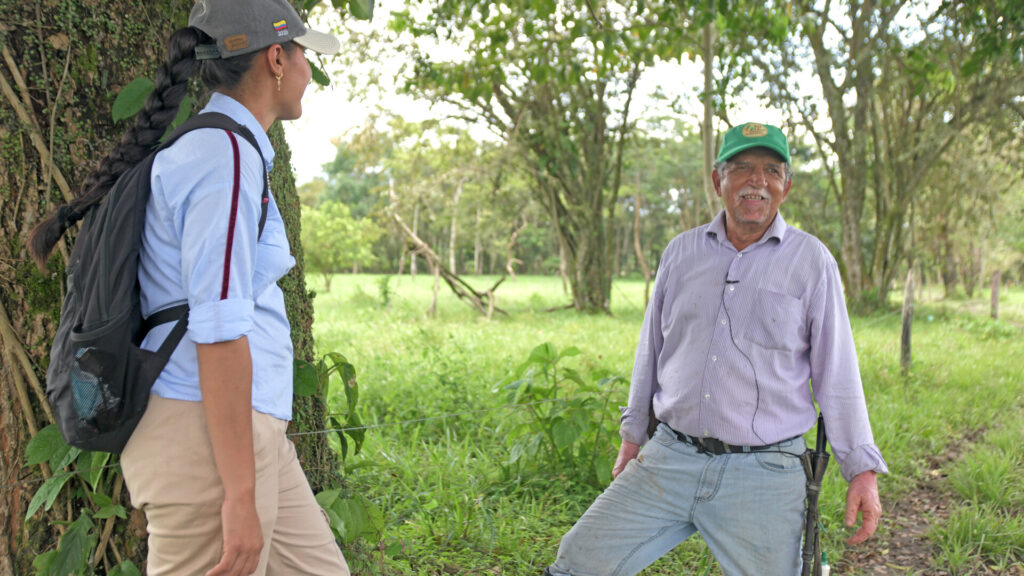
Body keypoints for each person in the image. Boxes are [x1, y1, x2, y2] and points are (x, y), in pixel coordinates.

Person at [29, 1, 348, 574]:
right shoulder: (221, 157)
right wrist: (240, 497)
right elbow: (219, 330)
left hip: (244, 433)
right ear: (276, 59)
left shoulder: (231, 151)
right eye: (304, 55)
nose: (310, 71)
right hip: (204, 442)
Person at [544, 122, 888, 576]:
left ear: (786, 185)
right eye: (741, 167)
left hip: (765, 470)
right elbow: (652, 352)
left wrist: (860, 469)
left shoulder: (812, 262)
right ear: (717, 180)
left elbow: (838, 374)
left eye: (770, 170)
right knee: (577, 560)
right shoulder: (680, 253)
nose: (756, 181)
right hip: (669, 457)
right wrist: (633, 437)